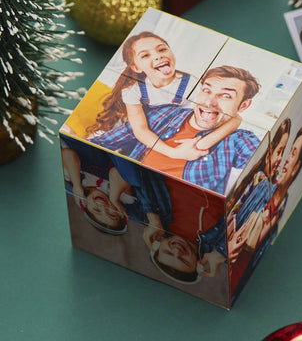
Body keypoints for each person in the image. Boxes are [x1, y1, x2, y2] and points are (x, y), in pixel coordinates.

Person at [91, 65, 261, 195]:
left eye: (226, 96)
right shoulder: (163, 114)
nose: (209, 102)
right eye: (206, 90)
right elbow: (100, 143)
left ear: (243, 105)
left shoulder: (238, 140)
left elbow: (265, 167)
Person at [87, 32, 241, 161]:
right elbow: (139, 129)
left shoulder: (191, 84)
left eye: (162, 50)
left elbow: (230, 117)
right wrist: (173, 153)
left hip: (164, 133)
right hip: (141, 131)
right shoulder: (133, 89)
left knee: (138, 158)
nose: (158, 56)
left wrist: (200, 144)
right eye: (146, 55)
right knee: (106, 142)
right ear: (136, 67)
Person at [228, 125, 302, 298]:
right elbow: (229, 215)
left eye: (292, 153)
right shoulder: (259, 182)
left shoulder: (281, 208)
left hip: (240, 287)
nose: (285, 159)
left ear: (296, 168)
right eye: (286, 152)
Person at [61, 137, 130, 234]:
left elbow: (67, 154)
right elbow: (118, 173)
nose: (102, 206)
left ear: (86, 205)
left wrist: (76, 184)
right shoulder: (120, 194)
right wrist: (114, 198)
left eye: (96, 209)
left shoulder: (78, 182)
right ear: (120, 211)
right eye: (112, 214)